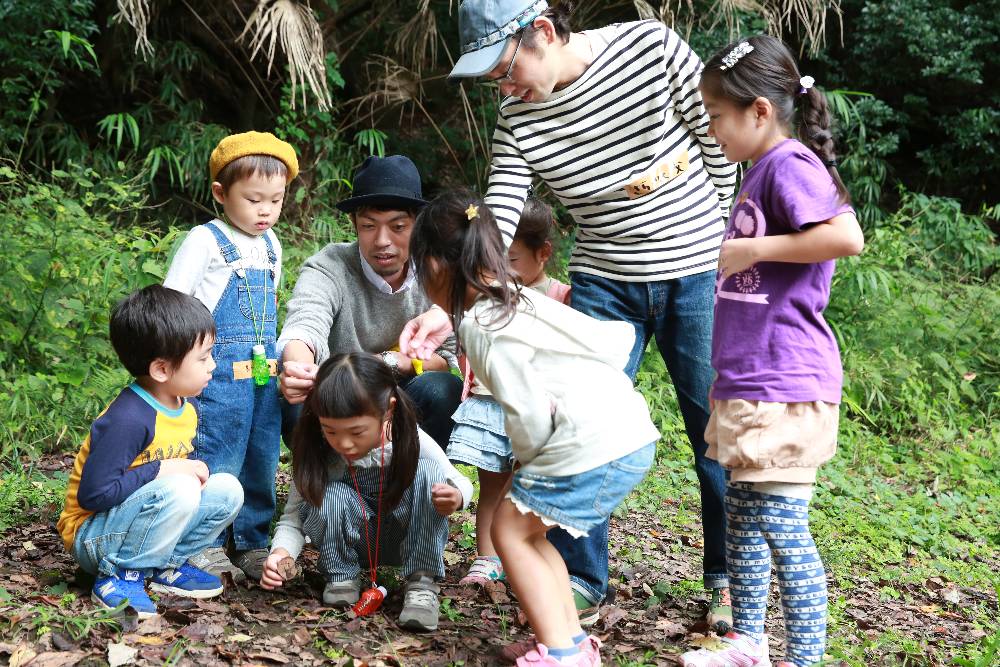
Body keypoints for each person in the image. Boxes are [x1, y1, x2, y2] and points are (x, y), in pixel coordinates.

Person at [409, 0, 739, 628]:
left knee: (714, 432)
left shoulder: (651, 49)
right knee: (572, 422)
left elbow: (720, 144)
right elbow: (499, 212)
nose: (504, 89)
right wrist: (448, 308)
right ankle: (582, 577)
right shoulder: (517, 116)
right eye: (493, 81)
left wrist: (716, 238)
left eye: (506, 70)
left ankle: (726, 578)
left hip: (697, 269)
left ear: (542, 31)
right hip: (606, 280)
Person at [410, 192, 660, 666]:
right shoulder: (516, 299)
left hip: (589, 441)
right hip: (626, 432)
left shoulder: (483, 323)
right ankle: (571, 641)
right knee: (528, 532)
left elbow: (525, 411)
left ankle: (561, 653)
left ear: (436, 266)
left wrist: (525, 463)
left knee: (508, 530)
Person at [679, 35, 865, 667]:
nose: (711, 129)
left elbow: (846, 236)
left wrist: (755, 249)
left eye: (716, 116)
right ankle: (749, 642)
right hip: (750, 380)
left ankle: (804, 658)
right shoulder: (759, 170)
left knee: (783, 527)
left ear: (759, 111)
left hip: (786, 381)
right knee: (743, 518)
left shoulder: (789, 164)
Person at [57, 285, 244, 618]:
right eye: (203, 358)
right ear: (161, 369)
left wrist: (180, 472)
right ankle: (121, 573)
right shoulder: (129, 418)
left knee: (228, 490)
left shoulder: (184, 408)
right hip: (92, 536)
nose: (212, 365)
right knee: (181, 485)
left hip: (134, 522)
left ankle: (164, 566)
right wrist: (163, 469)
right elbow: (94, 495)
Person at [163, 130, 298, 583]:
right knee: (218, 452)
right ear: (221, 194)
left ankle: (252, 541)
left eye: (276, 200)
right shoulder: (205, 240)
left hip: (262, 374)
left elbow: (269, 307)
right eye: (253, 199)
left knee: (261, 455)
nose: (265, 211)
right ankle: (204, 543)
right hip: (215, 374)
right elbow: (172, 304)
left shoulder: (273, 245)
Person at [260, 353, 473, 632]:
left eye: (357, 432)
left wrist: (456, 497)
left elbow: (460, 482)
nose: (344, 444)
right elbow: (293, 518)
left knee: (430, 473)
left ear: (388, 410)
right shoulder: (319, 450)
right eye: (331, 431)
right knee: (329, 494)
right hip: (355, 542)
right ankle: (342, 576)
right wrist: (280, 553)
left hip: (406, 537)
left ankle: (422, 582)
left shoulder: (408, 437)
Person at [277, 155, 462, 451]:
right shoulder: (330, 266)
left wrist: (395, 363)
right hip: (337, 398)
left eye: (398, 227)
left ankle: (418, 475)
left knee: (443, 390)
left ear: (418, 224)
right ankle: (331, 478)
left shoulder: (436, 271)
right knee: (296, 402)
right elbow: (305, 324)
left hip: (402, 397)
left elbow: (445, 358)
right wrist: (299, 370)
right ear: (354, 223)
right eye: (368, 226)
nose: (382, 241)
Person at [449, 197, 570, 586]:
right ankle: (486, 558)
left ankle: (526, 560)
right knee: (492, 488)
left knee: (526, 492)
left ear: (543, 253)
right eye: (494, 261)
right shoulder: (485, 294)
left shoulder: (559, 296)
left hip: (536, 410)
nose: (502, 272)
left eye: (512, 260)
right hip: (489, 405)